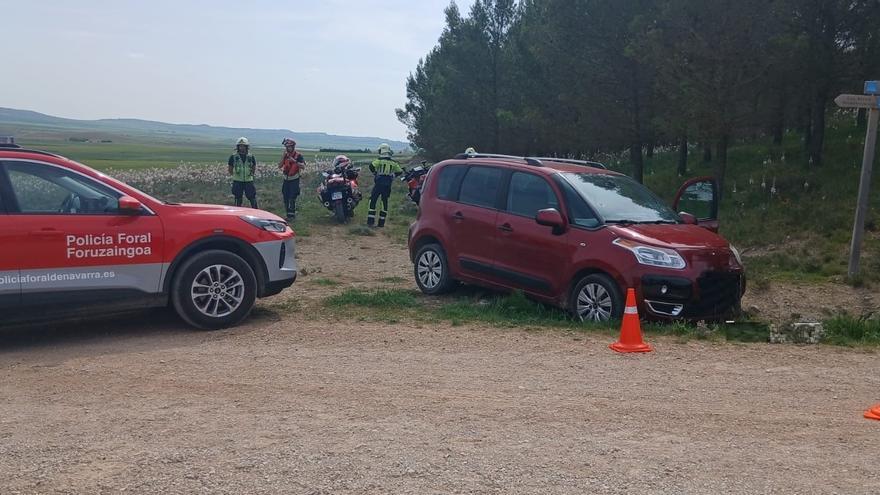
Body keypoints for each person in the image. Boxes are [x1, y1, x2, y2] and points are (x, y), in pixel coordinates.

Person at [367, 143, 403, 227]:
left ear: (382, 150)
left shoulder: (379, 160)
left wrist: (375, 173)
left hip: (379, 182)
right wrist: (393, 176)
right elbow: (400, 171)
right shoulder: (393, 162)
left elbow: (371, 166)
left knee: (373, 200)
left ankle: (370, 222)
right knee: (384, 201)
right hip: (388, 183)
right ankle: (381, 223)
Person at [278, 138, 305, 219]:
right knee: (285, 196)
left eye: (289, 147)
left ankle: (292, 215)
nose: (288, 148)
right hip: (286, 179)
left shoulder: (298, 155)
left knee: (292, 197)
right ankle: (288, 214)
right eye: (286, 147)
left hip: (294, 179)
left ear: (293, 147)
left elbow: (303, 166)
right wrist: (283, 157)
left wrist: (294, 161)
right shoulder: (285, 155)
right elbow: (279, 166)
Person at [228, 137, 258, 208]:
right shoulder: (233, 157)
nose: (242, 147)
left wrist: (251, 175)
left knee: (252, 197)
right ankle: (237, 212)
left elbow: (254, 166)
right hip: (238, 181)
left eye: (244, 146)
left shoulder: (251, 157)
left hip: (248, 180)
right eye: (240, 146)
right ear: (238, 147)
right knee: (238, 197)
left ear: (246, 147)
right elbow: (230, 169)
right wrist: (235, 175)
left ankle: (256, 211)